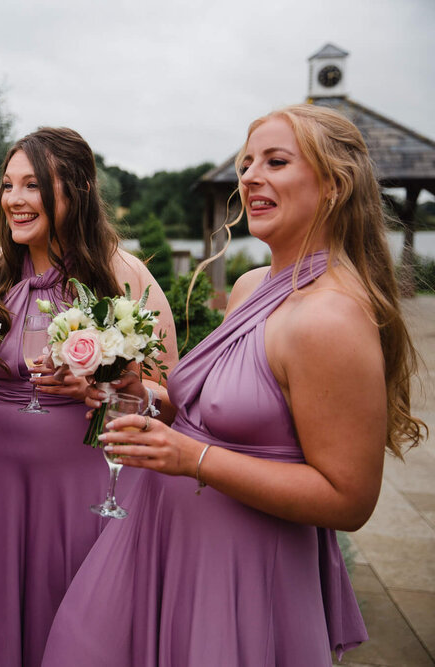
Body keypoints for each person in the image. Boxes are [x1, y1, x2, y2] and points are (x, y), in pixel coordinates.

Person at [41, 104, 428, 666]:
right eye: (247, 164)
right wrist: (137, 392)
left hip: (241, 570)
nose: (249, 177)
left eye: (275, 161)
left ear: (335, 186)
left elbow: (349, 499)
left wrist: (193, 459)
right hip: (165, 547)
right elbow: (209, 407)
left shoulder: (330, 318)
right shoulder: (251, 285)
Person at [0, 127, 180, 667]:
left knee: (69, 626)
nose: (14, 200)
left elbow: (168, 399)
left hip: (76, 486)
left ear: (79, 190)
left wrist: (104, 386)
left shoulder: (124, 277)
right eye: (7, 185)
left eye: (33, 185)